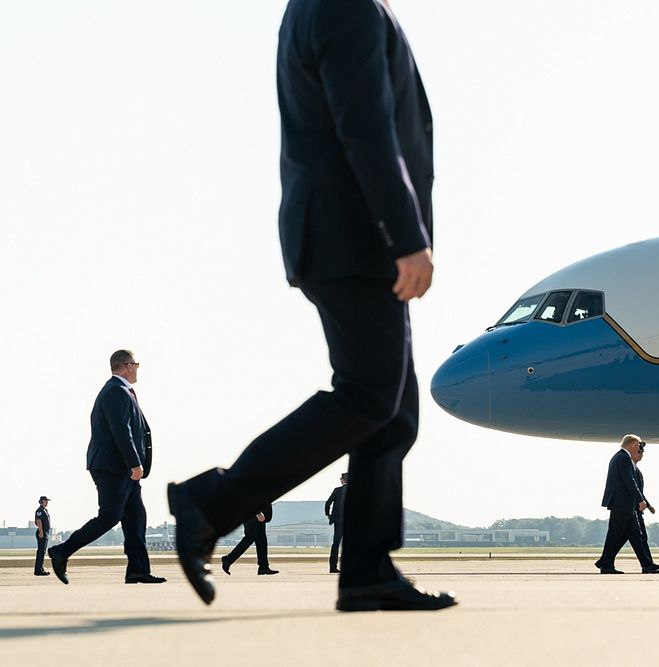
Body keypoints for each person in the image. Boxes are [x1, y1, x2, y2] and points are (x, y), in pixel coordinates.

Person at [167, 0, 456, 611]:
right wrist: (407, 238)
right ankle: (210, 503)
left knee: (394, 411)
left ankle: (368, 571)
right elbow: (366, 126)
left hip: (344, 235)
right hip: (350, 235)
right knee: (370, 394)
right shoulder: (342, 5)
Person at [48, 350, 166, 585]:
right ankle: (61, 551)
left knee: (136, 518)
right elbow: (121, 430)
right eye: (136, 364)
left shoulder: (122, 391)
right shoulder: (116, 391)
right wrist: (134, 463)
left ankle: (138, 570)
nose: (138, 369)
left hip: (121, 468)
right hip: (114, 467)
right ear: (127, 366)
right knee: (110, 516)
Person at [594, 434, 659, 574]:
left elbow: (631, 482)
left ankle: (646, 564)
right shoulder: (623, 458)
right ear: (632, 445)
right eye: (638, 446)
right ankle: (606, 564)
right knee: (615, 535)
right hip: (622, 503)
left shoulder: (619, 458)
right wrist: (640, 500)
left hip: (625, 504)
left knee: (636, 535)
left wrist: (644, 502)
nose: (639, 449)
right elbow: (629, 481)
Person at [220, 504, 278, 576]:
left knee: (261, 540)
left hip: (260, 515)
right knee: (250, 538)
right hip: (253, 514)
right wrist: (257, 513)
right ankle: (228, 559)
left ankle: (263, 567)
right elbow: (251, 496)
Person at [633, 442, 659, 571]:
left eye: (642, 453)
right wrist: (643, 503)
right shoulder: (629, 466)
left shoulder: (634, 468)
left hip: (634, 508)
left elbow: (638, 490)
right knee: (640, 537)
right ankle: (647, 565)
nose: (641, 455)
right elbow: (633, 488)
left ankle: (606, 561)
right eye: (639, 452)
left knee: (637, 537)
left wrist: (648, 505)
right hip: (632, 508)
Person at [324, 473, 348, 573]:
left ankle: (333, 567)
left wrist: (328, 514)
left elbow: (327, 503)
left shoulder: (337, 490)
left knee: (336, 544)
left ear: (343, 480)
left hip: (338, 521)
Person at [33, 496, 51, 576]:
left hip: (45, 532)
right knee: (41, 551)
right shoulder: (40, 510)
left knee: (42, 551)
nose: (47, 502)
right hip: (42, 532)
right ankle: (38, 570)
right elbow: (39, 521)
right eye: (46, 501)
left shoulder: (45, 510)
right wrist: (41, 532)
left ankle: (40, 568)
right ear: (42, 501)